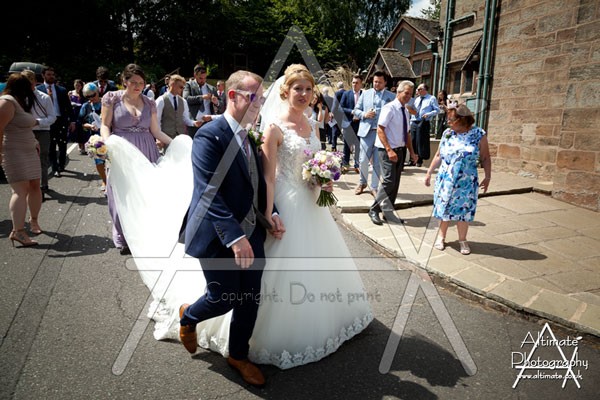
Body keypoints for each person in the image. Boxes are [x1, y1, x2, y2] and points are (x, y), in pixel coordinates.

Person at [257, 64, 372, 369]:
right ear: (285, 91)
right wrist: (268, 215)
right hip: (287, 200)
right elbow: (268, 177)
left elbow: (316, 160)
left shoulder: (313, 124)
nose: (304, 94)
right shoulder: (274, 129)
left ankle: (326, 320)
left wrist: (325, 179)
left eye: (308, 89)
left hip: (312, 201)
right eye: (298, 88)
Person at [181, 70, 283, 387]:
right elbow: (208, 191)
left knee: (250, 299)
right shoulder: (209, 136)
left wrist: (273, 212)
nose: (259, 103)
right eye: (253, 97)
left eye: (261, 98)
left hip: (252, 231)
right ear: (232, 95)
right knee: (223, 297)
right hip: (216, 233)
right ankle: (188, 316)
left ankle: (238, 355)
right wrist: (235, 237)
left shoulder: (250, 136)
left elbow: (257, 184)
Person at [100, 63, 173, 255]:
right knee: (121, 195)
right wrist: (107, 144)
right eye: (133, 82)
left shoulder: (149, 103)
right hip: (121, 152)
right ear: (124, 81)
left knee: (145, 194)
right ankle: (124, 237)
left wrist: (176, 144)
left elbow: (156, 131)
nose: (138, 86)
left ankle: (143, 234)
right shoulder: (112, 98)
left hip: (147, 151)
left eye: (141, 83)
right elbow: (105, 125)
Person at [424, 103, 491, 255]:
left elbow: (485, 157)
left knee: (464, 210)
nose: (448, 122)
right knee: (444, 208)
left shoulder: (478, 134)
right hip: (446, 179)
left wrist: (488, 177)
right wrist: (429, 172)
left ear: (462, 119)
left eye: (451, 119)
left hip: (466, 181)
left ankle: (462, 239)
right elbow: (439, 155)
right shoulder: (447, 133)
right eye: (448, 119)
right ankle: (441, 237)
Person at [0, 73, 44, 246]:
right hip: (13, 152)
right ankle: (18, 231)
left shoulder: (18, 102)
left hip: (28, 150)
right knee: (20, 190)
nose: (34, 88)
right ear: (22, 87)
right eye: (30, 85)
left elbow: (22, 126)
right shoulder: (6, 102)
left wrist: (33, 141)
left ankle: (34, 221)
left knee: (34, 186)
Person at [368, 81, 418, 225]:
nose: (408, 96)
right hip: (387, 150)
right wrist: (389, 150)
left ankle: (388, 212)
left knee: (395, 183)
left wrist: (412, 153)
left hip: (400, 150)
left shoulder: (405, 111)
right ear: (398, 92)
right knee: (389, 181)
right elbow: (380, 129)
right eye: (406, 93)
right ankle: (374, 209)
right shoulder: (389, 108)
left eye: (410, 94)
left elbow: (407, 134)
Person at [352, 71, 395, 196]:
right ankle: (362, 183)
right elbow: (356, 110)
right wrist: (364, 114)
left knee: (377, 162)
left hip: (382, 134)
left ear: (385, 82)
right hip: (366, 132)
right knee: (363, 160)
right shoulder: (365, 94)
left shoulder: (391, 96)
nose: (376, 84)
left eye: (380, 82)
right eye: (375, 82)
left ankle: (374, 187)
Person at [21, 70, 55, 200]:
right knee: (25, 160)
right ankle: (28, 188)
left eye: (30, 82)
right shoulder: (18, 98)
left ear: (35, 82)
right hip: (24, 132)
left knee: (42, 159)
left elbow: (52, 117)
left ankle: (42, 186)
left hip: (42, 132)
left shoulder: (44, 97)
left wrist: (37, 122)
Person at [37, 66, 76, 178]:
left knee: (62, 144)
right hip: (47, 121)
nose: (51, 77)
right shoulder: (38, 90)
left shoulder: (61, 90)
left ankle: (61, 164)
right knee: (51, 146)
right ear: (43, 75)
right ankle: (55, 168)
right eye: (49, 75)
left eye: (53, 75)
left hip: (60, 120)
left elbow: (68, 107)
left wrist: (72, 121)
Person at [78, 83, 107, 193]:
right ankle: (105, 180)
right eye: (88, 96)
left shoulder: (106, 102)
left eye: (93, 95)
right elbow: (81, 122)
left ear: (97, 92)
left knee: (110, 160)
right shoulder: (86, 106)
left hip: (109, 135)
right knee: (99, 161)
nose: (91, 98)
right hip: (95, 138)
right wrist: (90, 126)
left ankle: (113, 180)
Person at [407, 83, 439, 167]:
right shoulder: (416, 99)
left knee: (420, 141)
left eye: (419, 89)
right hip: (414, 121)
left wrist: (428, 114)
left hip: (423, 121)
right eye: (417, 89)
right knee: (413, 140)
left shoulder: (431, 98)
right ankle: (412, 159)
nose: (417, 91)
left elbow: (437, 110)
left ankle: (419, 160)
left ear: (424, 90)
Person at [339, 75, 363, 174]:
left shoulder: (364, 95)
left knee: (358, 145)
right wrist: (352, 111)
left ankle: (357, 165)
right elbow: (341, 108)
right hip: (348, 123)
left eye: (357, 83)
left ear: (361, 84)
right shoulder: (346, 94)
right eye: (353, 82)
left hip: (360, 124)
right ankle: (345, 165)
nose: (354, 85)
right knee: (347, 145)